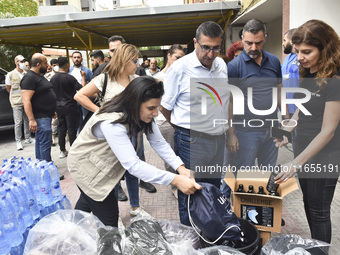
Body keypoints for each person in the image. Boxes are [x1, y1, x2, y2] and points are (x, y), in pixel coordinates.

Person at [68, 76, 201, 227]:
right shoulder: (112, 122)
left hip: (100, 167)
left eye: (157, 107)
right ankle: (106, 245)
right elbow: (134, 166)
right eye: (151, 108)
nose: (156, 113)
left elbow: (158, 142)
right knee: (110, 220)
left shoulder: (141, 114)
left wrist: (180, 168)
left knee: (87, 202)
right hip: (87, 169)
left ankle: (70, 232)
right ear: (135, 103)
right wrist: (176, 180)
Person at [275, 19, 340, 244]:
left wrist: (295, 163)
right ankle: (315, 248)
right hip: (302, 149)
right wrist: (285, 131)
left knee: (319, 213)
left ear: (325, 49)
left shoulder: (334, 79)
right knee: (309, 207)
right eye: (297, 51)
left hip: (324, 153)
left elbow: (328, 131)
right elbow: (300, 112)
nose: (299, 57)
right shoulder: (308, 72)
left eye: (307, 51)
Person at [160, 21, 230, 226]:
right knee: (190, 189)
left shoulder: (221, 65)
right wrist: (182, 129)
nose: (210, 54)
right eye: (205, 47)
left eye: (216, 48)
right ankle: (189, 236)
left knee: (213, 190)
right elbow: (165, 107)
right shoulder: (180, 69)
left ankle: (210, 233)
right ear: (195, 43)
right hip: (191, 141)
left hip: (218, 139)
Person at [74, 44, 154, 215]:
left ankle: (135, 207)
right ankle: (112, 214)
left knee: (134, 170)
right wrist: (101, 113)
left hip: (133, 134)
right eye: (135, 61)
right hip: (112, 137)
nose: (138, 64)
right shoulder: (104, 79)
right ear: (125, 61)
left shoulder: (135, 81)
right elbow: (79, 95)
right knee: (112, 173)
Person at [225, 19, 283, 180]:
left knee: (268, 176)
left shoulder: (274, 61)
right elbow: (229, 102)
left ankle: (264, 206)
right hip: (245, 132)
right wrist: (230, 134)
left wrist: (285, 121)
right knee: (245, 177)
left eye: (258, 43)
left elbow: (279, 90)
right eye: (249, 43)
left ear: (265, 37)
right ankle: (246, 206)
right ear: (242, 38)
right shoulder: (234, 67)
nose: (253, 48)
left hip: (272, 130)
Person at [154, 44, 185, 199]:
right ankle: (175, 184)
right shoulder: (158, 78)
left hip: (180, 121)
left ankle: (183, 180)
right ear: (168, 56)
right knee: (170, 154)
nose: (179, 61)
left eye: (182, 58)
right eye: (176, 57)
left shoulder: (182, 75)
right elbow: (159, 105)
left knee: (181, 153)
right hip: (164, 122)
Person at [21, 53, 57, 162]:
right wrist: (31, 120)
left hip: (46, 115)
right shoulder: (29, 78)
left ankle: (40, 167)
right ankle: (47, 170)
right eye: (45, 63)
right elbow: (26, 100)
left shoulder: (39, 76)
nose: (48, 65)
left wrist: (52, 110)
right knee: (45, 144)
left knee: (41, 143)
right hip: (40, 117)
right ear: (38, 64)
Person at [50, 57, 85, 158]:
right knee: (72, 129)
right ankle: (73, 150)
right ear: (66, 65)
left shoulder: (53, 78)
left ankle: (62, 150)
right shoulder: (70, 78)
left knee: (61, 128)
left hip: (59, 107)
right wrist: (83, 77)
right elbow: (82, 89)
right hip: (70, 106)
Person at [5, 55, 32, 150]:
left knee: (27, 120)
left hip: (26, 100)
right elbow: (8, 88)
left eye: (24, 61)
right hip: (16, 101)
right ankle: (18, 141)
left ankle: (28, 138)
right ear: (16, 62)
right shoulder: (10, 74)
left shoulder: (26, 73)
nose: (23, 63)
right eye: (21, 61)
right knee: (18, 122)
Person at [282, 28, 299, 152]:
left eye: (284, 40)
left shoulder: (301, 58)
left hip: (300, 109)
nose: (283, 43)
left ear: (292, 41)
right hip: (288, 109)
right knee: (293, 142)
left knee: (299, 142)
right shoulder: (287, 58)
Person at [69, 51, 93, 131]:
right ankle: (80, 135)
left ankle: (89, 134)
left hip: (85, 98)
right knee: (78, 120)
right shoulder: (69, 71)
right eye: (75, 57)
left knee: (87, 118)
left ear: (81, 59)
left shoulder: (87, 71)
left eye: (78, 57)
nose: (76, 59)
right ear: (72, 59)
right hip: (73, 99)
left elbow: (92, 84)